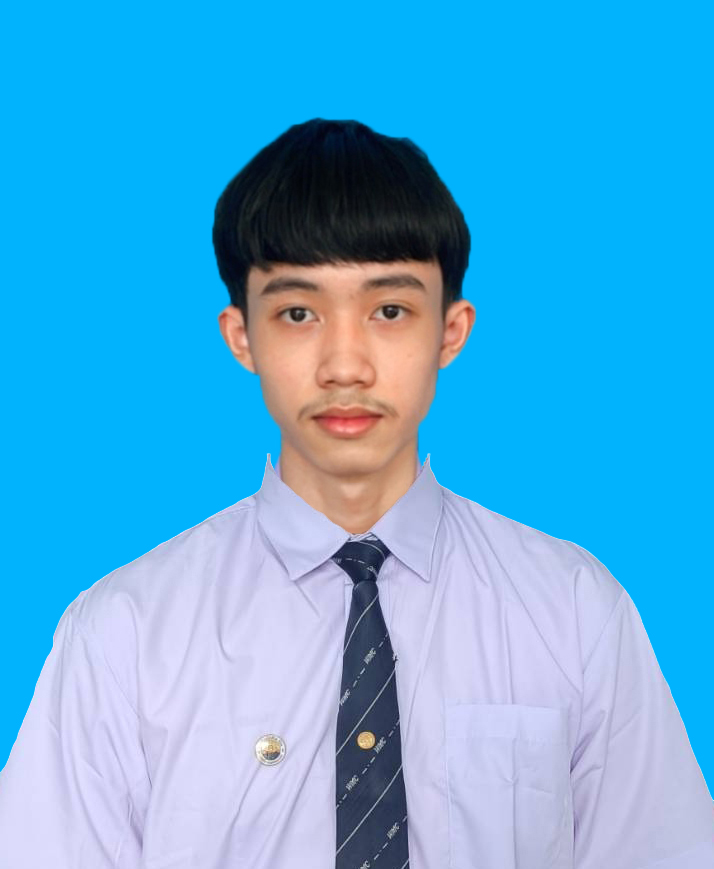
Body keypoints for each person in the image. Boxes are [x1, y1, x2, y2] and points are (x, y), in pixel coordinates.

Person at [0, 118, 712, 869]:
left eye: (390, 311)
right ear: (241, 336)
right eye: (298, 313)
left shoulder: (574, 610)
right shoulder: (124, 634)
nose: (345, 365)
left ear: (451, 331)